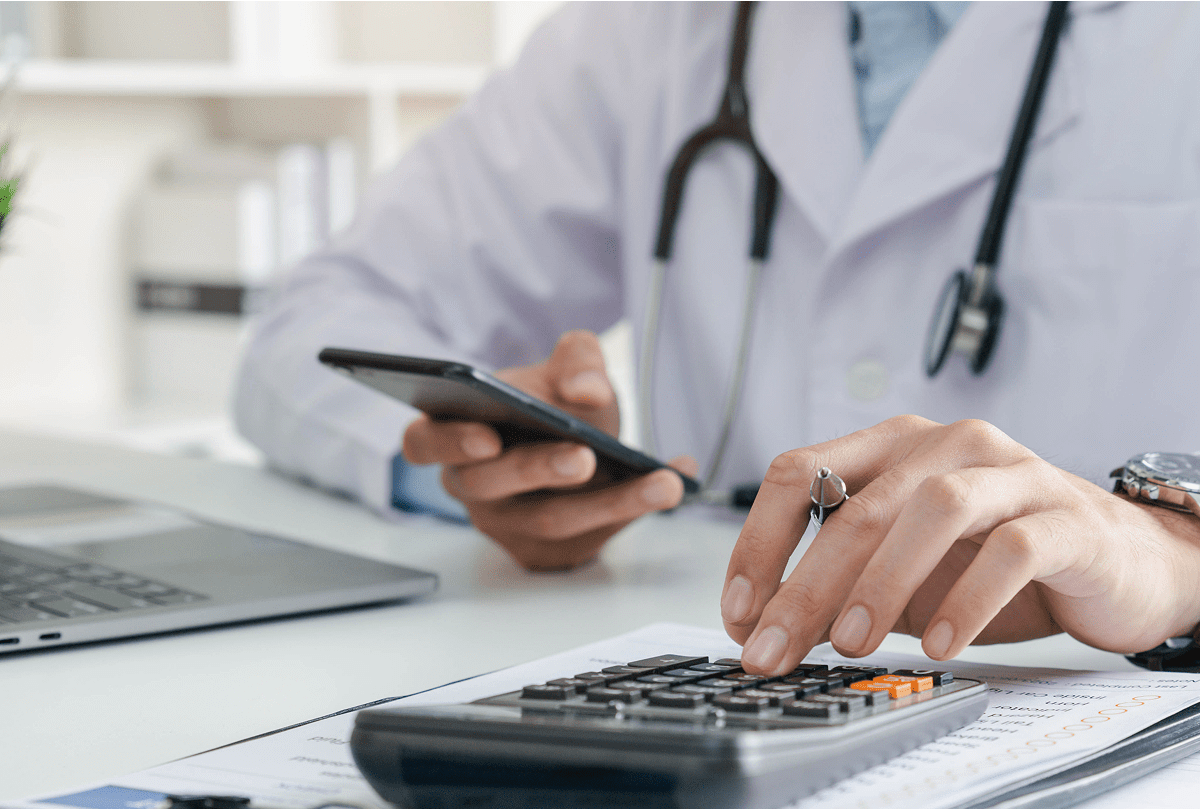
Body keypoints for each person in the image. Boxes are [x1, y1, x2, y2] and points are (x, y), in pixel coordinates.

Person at [235, 1, 1200, 671]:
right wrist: (501, 463)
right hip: (723, 664)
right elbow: (317, 318)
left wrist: (1173, 553)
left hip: (1102, 716)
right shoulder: (649, 30)